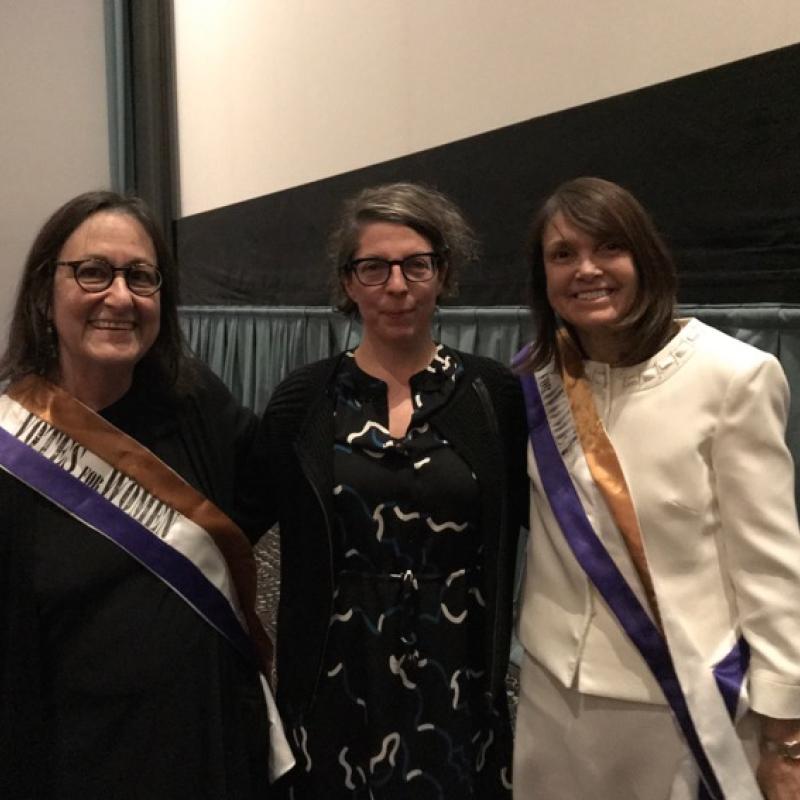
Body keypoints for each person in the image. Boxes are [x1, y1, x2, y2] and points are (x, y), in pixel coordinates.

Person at [513, 176, 800, 800]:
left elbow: (772, 568)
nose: (587, 269)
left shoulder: (734, 377)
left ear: (645, 256)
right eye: (563, 254)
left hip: (677, 705)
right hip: (549, 694)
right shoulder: (533, 380)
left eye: (608, 248)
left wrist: (786, 739)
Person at [0, 191, 292, 798]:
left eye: (141, 276)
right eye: (93, 272)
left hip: (209, 751)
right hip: (77, 767)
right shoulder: (9, 448)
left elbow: (276, 484)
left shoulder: (196, 407)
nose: (120, 297)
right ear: (42, 294)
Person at [258, 182, 528, 798]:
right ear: (348, 283)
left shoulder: (492, 397)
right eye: (374, 267)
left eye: (416, 264)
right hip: (334, 667)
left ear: (443, 273)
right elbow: (233, 518)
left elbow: (553, 522)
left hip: (459, 668)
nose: (397, 285)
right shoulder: (305, 401)